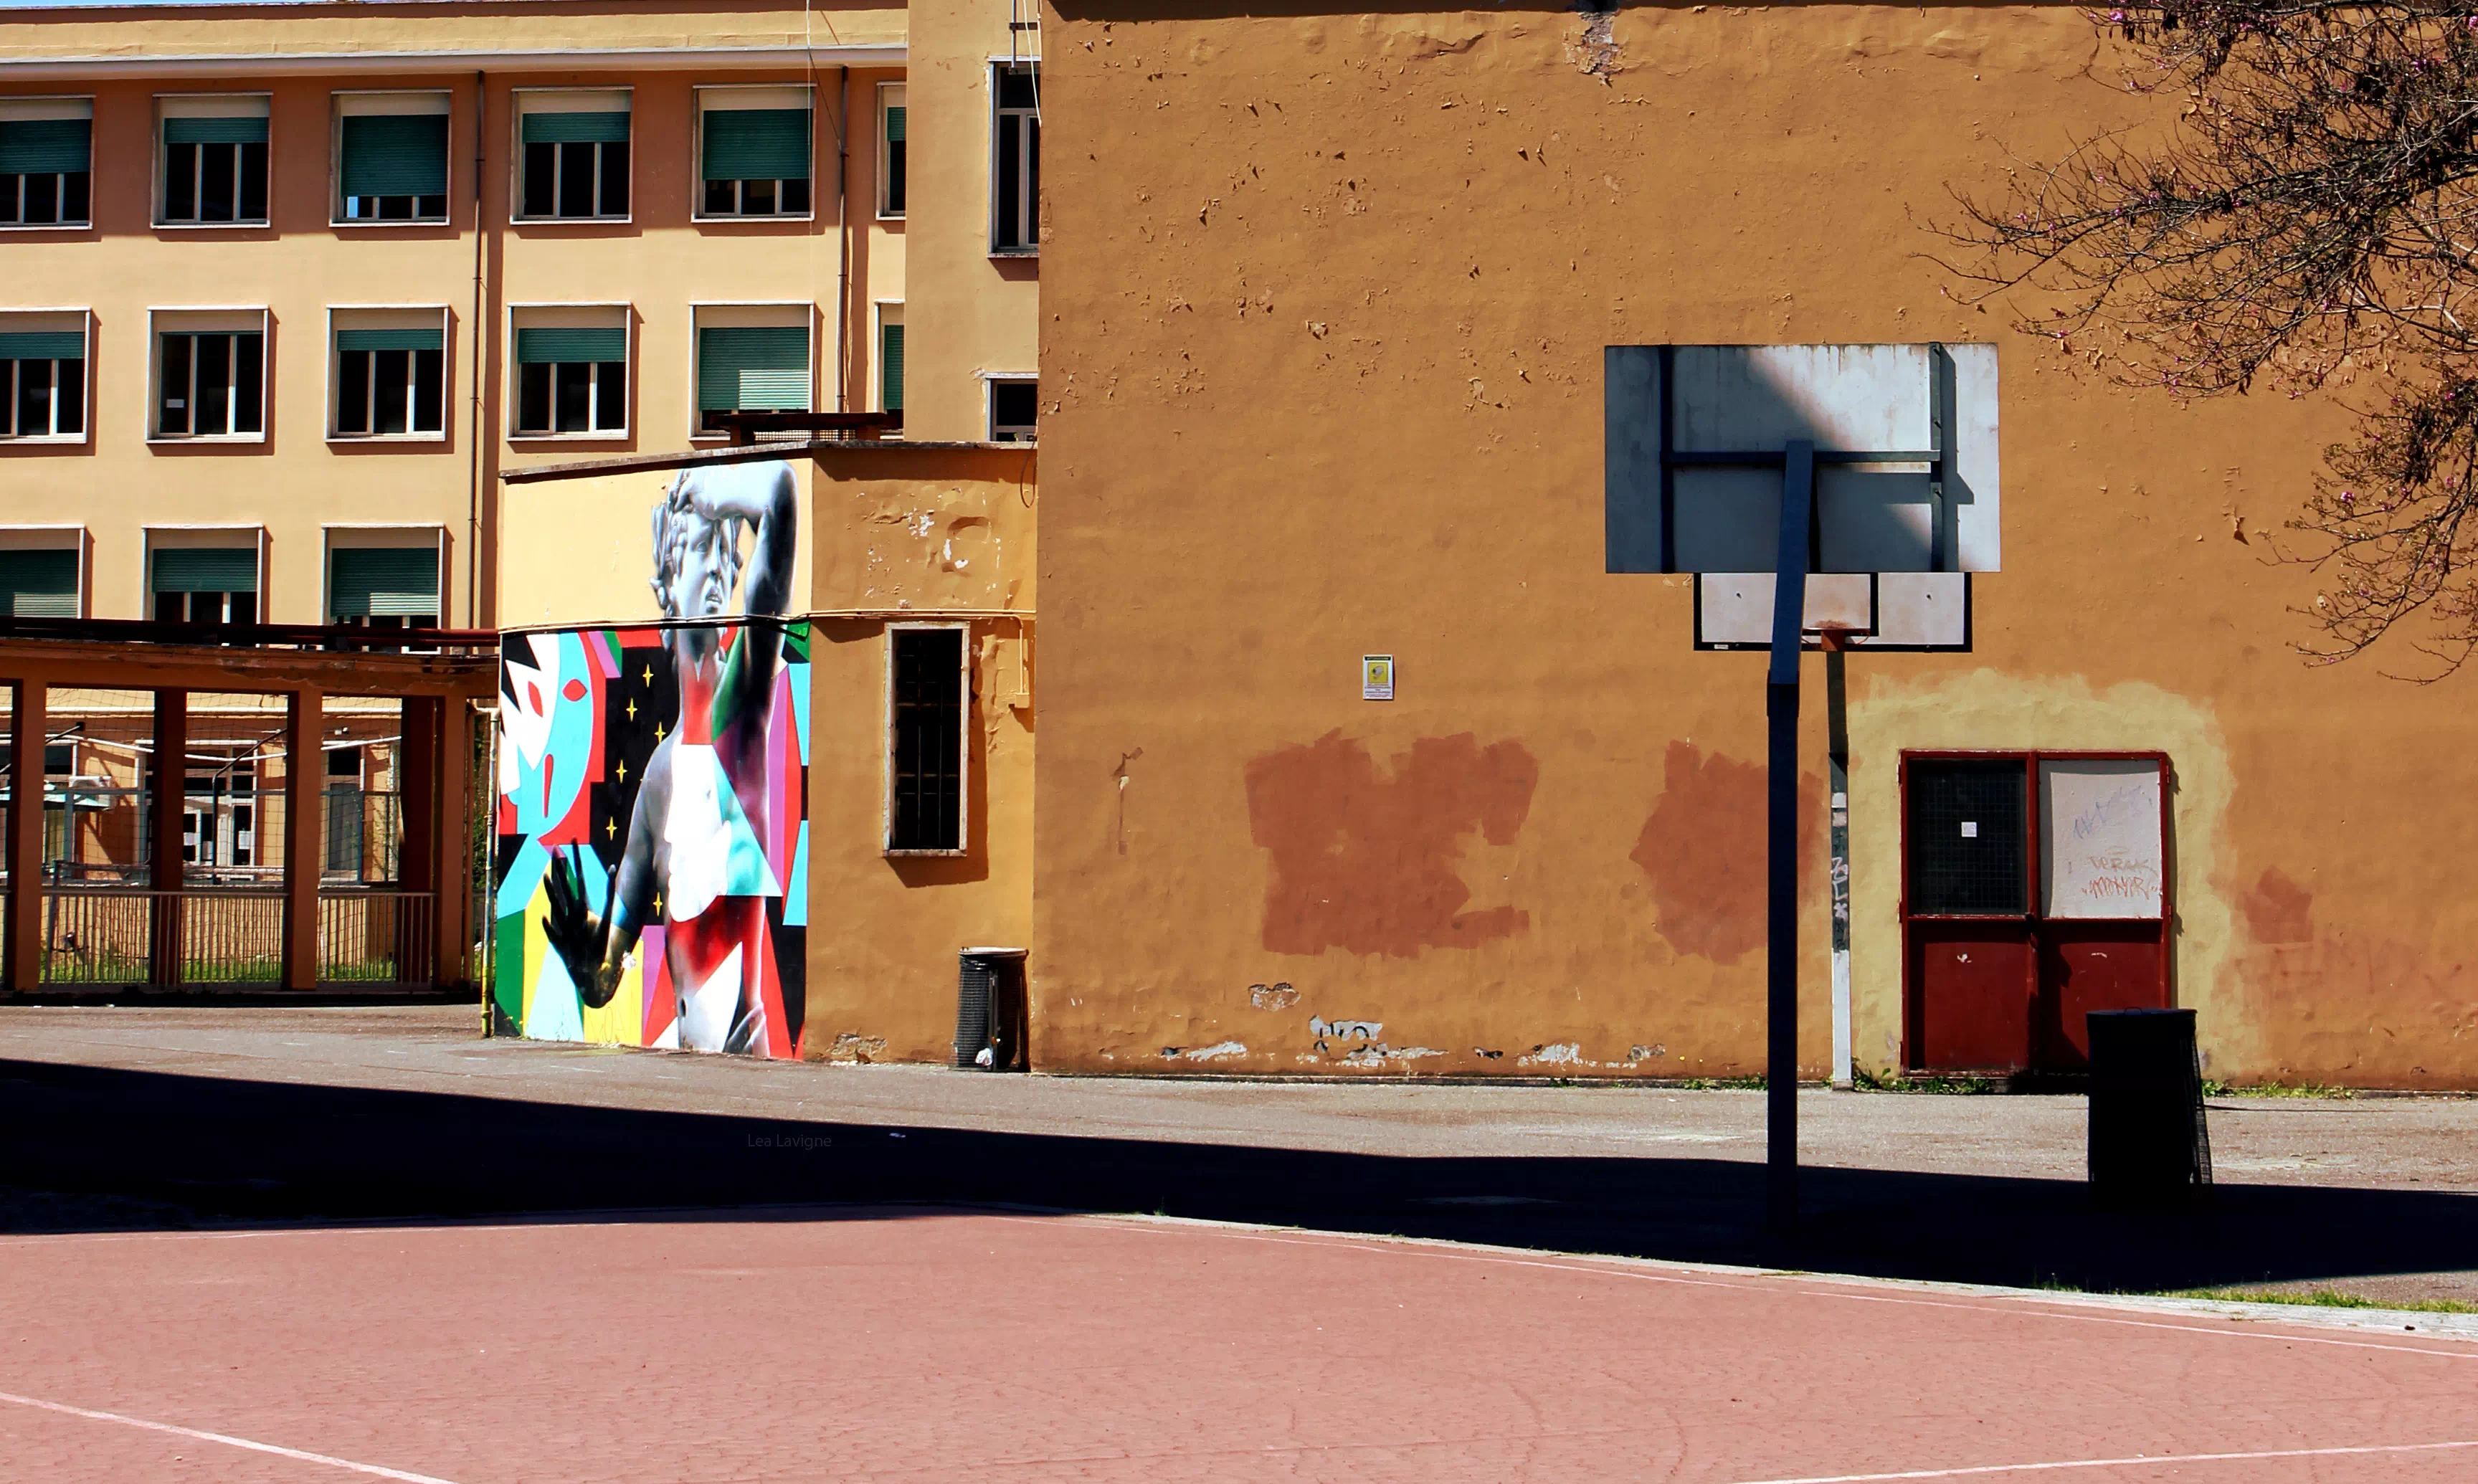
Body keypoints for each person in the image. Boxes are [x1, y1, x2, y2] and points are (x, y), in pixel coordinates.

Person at [541, 459, 797, 1052]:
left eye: (726, 552)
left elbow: (781, 493)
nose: (718, 568)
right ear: (666, 582)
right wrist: (588, 963)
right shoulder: (657, 777)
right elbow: (605, 980)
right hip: (687, 1064)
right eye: (702, 547)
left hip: (743, 1056)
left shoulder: (741, 705)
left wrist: (709, 492)